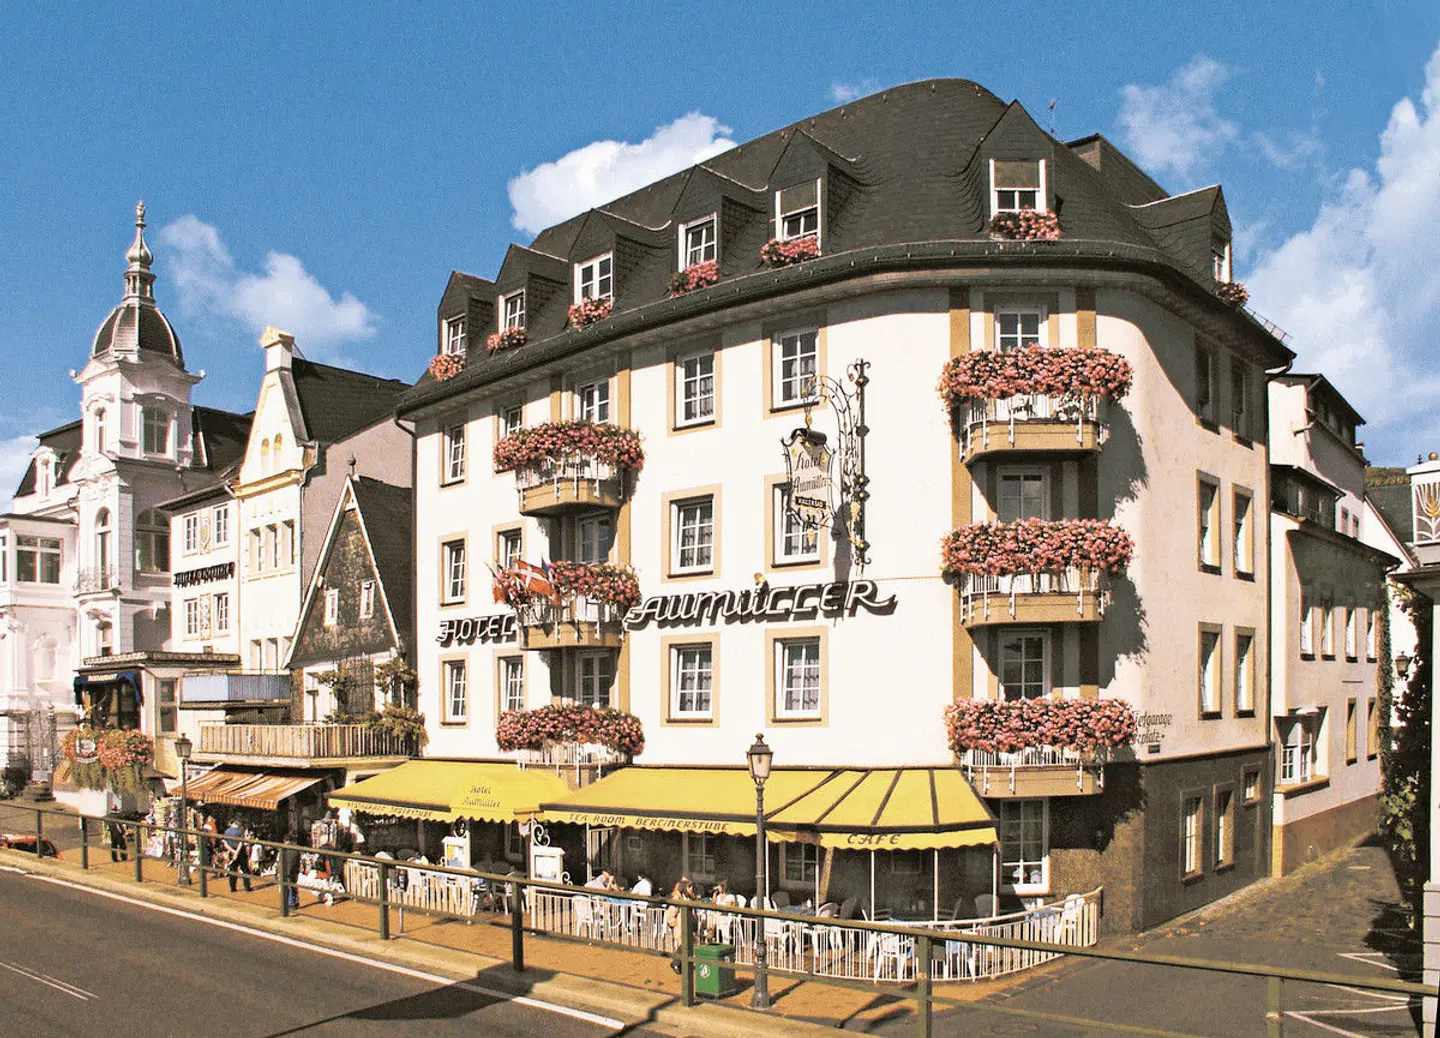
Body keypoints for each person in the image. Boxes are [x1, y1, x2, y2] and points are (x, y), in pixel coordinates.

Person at [223, 819, 251, 892]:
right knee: (245, 869)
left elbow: (225, 844)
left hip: (231, 851)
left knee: (233, 869)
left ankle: (232, 888)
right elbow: (241, 843)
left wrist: (233, 852)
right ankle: (247, 887)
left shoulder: (227, 831)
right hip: (241, 852)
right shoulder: (240, 831)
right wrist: (237, 852)